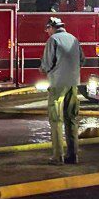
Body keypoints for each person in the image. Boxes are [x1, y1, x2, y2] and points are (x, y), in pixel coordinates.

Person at [39, 17, 83, 165]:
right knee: (71, 119)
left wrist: (44, 70)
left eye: (47, 29)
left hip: (58, 85)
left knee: (56, 120)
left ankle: (58, 157)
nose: (47, 32)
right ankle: (73, 156)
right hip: (73, 84)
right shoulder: (74, 39)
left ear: (52, 27)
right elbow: (82, 59)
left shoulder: (53, 40)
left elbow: (47, 63)